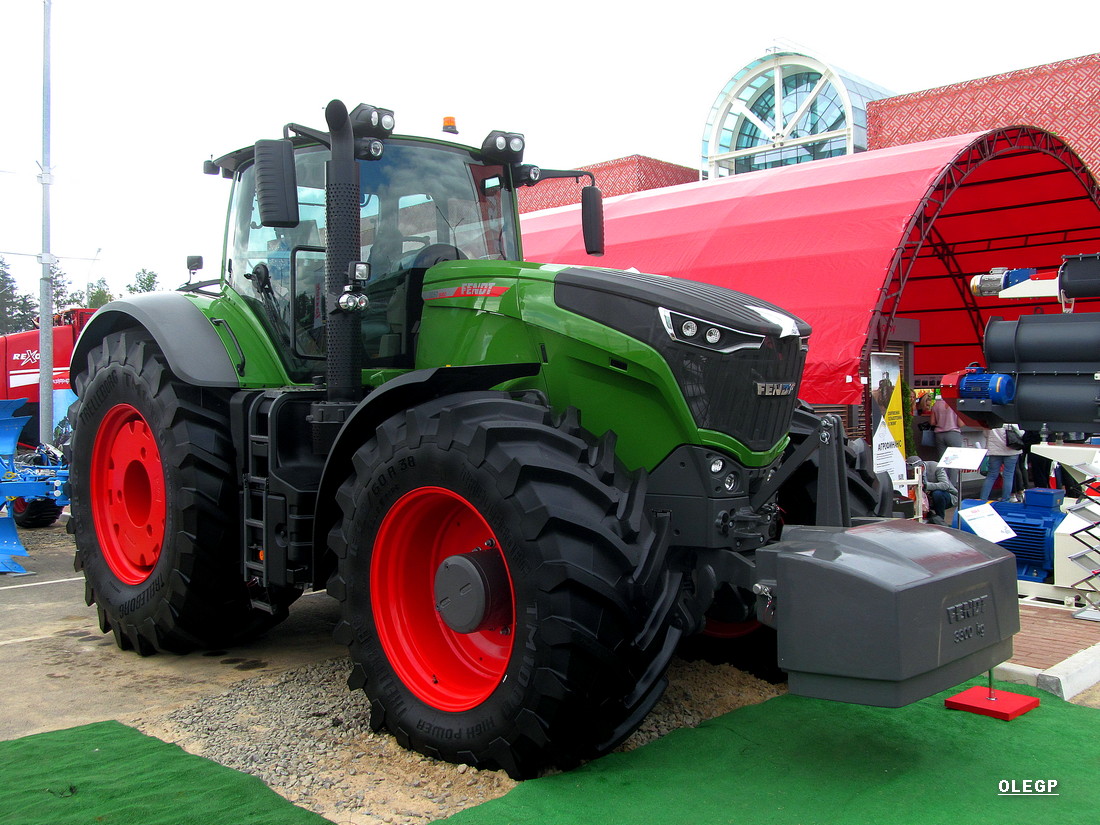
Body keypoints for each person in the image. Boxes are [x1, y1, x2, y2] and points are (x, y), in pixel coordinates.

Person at [907, 456, 958, 525]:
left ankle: (940, 521)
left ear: (921, 467)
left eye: (912, 471)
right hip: (926, 498)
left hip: (946, 496)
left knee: (937, 494)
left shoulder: (935, 466)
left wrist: (926, 485)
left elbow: (945, 485)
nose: (911, 473)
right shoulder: (910, 473)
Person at [980, 424, 1023, 502]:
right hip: (1011, 450)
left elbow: (985, 434)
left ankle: (983, 499)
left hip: (994, 450)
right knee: (1008, 475)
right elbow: (1021, 432)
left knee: (991, 475)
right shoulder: (1012, 419)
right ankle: (1005, 499)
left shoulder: (991, 420)